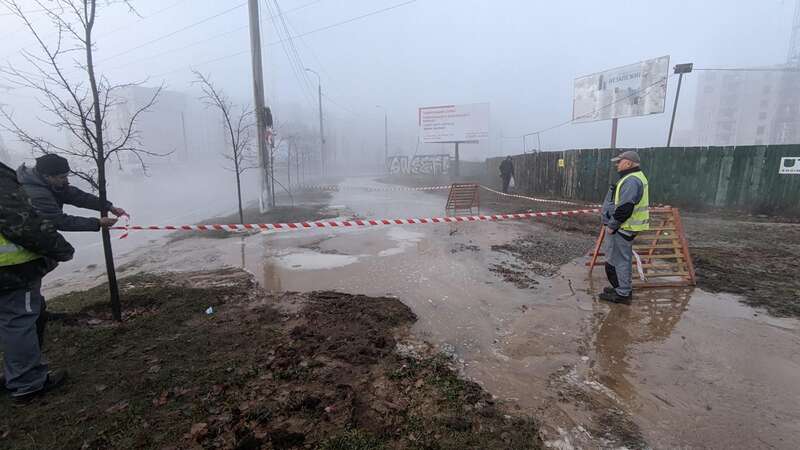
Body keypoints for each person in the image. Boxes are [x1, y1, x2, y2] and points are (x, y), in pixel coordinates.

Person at [1, 160, 75, 402]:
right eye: (61, 175)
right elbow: (23, 224)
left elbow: (74, 194)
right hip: (10, 271)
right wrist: (61, 248)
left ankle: (15, 374)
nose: (65, 179)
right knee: (19, 321)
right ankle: (27, 382)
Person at [17, 154, 127, 232]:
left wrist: (109, 207)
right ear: (47, 176)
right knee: (64, 252)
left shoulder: (51, 183)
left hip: (38, 233)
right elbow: (60, 221)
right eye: (62, 177)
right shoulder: (36, 193)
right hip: (23, 236)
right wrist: (97, 223)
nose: (66, 180)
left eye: (66, 176)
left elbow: (79, 197)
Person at [599, 150, 649, 304]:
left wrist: (612, 226)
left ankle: (623, 293)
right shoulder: (633, 178)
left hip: (623, 227)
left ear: (628, 163)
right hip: (626, 226)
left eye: (619, 162)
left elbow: (625, 208)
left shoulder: (631, 180)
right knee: (620, 259)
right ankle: (620, 287)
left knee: (620, 260)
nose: (616, 164)